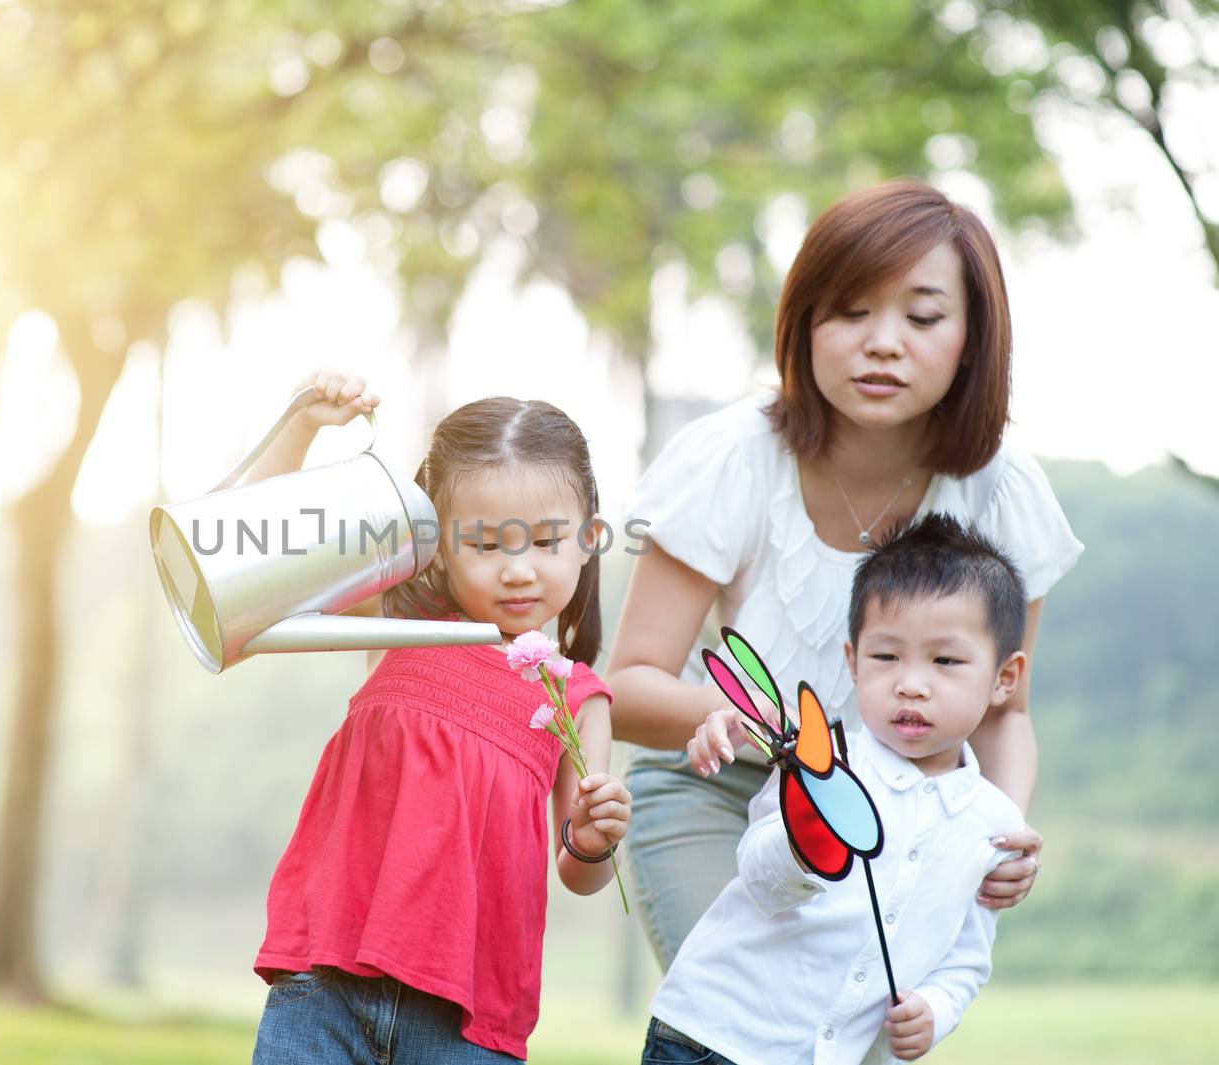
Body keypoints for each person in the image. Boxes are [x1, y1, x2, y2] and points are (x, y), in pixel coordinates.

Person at [607, 179, 1083, 968]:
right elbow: (626, 685)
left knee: (858, 1038)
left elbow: (1003, 711)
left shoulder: (1003, 489)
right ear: (803, 326)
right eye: (851, 312)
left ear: (972, 335)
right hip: (717, 786)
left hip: (897, 809)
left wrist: (997, 829)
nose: (883, 342)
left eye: (923, 316)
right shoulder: (731, 458)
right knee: (739, 1026)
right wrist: (773, 732)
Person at [248, 373, 633, 1064]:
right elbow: (257, 558)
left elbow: (578, 871)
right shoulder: (402, 620)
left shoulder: (579, 696)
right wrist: (301, 424)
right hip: (325, 982)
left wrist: (597, 835)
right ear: (438, 544)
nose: (518, 569)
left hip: (467, 1026)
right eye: (486, 544)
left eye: (546, 542)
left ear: (590, 539)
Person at [643, 514, 1031, 1064]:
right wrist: (805, 847)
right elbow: (759, 877)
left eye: (946, 661)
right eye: (885, 656)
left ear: (1004, 678)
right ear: (852, 661)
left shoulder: (994, 821)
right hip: (716, 1039)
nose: (911, 683)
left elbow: (968, 954)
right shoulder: (823, 757)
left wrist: (935, 1008)